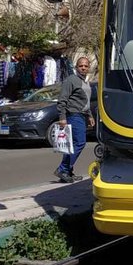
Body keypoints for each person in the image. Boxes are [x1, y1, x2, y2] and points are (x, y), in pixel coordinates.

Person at [54, 56, 94, 184]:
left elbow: (85, 101)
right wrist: (62, 117)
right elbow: (62, 100)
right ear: (76, 67)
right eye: (81, 66)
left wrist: (90, 115)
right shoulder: (71, 80)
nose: (83, 68)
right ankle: (63, 169)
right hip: (74, 115)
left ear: (88, 68)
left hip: (82, 115)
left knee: (72, 145)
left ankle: (67, 171)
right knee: (80, 143)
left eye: (86, 66)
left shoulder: (85, 82)